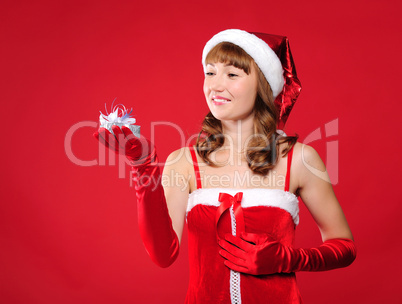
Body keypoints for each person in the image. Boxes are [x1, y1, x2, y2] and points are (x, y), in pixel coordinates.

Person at [94, 29, 356, 304]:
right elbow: (163, 255)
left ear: (263, 85)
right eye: (210, 73)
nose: (215, 86)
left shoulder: (299, 159)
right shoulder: (184, 162)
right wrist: (143, 166)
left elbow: (345, 246)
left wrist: (287, 258)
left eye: (232, 75)